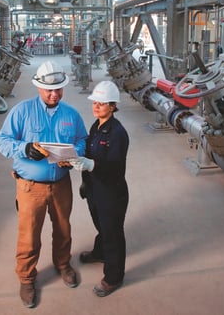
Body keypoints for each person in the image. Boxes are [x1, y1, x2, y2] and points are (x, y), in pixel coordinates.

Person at [0, 60, 88, 309]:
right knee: (29, 234)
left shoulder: (71, 114)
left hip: (61, 183)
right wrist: (24, 148)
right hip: (30, 187)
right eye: (49, 90)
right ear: (38, 87)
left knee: (63, 228)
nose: (54, 94)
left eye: (58, 89)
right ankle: (27, 278)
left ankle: (63, 264)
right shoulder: (22, 111)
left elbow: (82, 140)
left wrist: (73, 155)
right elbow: (3, 141)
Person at [69, 80, 130, 297]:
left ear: (112, 106)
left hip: (111, 192)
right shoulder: (96, 126)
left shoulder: (118, 133)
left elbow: (115, 169)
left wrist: (91, 164)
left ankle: (114, 277)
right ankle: (100, 251)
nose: (96, 107)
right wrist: (80, 169)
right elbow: (87, 151)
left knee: (113, 232)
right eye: (95, 102)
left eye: (102, 104)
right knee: (101, 225)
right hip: (95, 189)